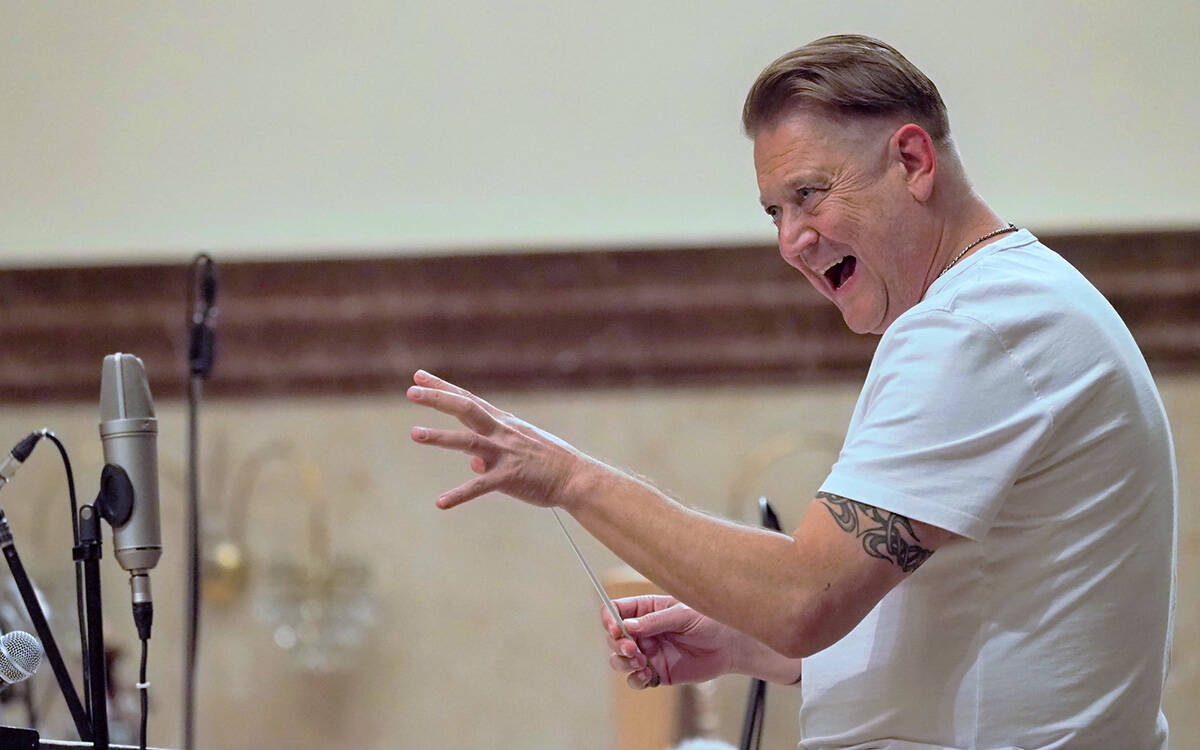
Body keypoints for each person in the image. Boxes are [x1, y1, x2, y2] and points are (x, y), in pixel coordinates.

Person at [408, 34, 1176, 750]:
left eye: (810, 193)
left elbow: (805, 597)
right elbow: (966, 602)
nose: (791, 241)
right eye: (776, 211)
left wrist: (571, 478)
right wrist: (748, 644)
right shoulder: (1010, 302)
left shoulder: (976, 327)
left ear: (913, 160)